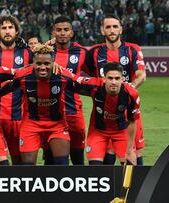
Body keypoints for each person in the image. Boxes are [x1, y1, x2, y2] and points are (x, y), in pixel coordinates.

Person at [0, 44, 71, 165]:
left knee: (62, 164)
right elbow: (7, 88)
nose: (42, 67)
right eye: (38, 63)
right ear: (33, 63)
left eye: (47, 64)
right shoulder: (23, 76)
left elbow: (83, 88)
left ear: (53, 63)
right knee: (27, 168)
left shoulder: (63, 75)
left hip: (56, 124)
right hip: (31, 124)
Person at [87, 14, 146, 165]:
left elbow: (141, 75)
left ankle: (136, 188)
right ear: (102, 30)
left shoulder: (132, 49)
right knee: (107, 158)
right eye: (108, 27)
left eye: (115, 27)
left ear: (120, 29)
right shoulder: (94, 52)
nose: (112, 30)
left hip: (128, 113)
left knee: (134, 157)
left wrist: (128, 88)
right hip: (104, 114)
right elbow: (83, 75)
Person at [57, 62, 139, 165]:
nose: (113, 82)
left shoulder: (131, 94)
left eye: (117, 78)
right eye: (110, 78)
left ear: (122, 79)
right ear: (104, 78)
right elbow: (73, 78)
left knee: (130, 165)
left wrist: (130, 150)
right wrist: (55, 66)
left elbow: (132, 121)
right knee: (95, 168)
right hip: (98, 132)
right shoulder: (94, 85)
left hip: (121, 132)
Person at [43, 16, 89, 165]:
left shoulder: (81, 52)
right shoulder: (45, 52)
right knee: (51, 158)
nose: (62, 33)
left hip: (73, 111)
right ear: (53, 33)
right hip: (51, 114)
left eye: (66, 30)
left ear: (71, 33)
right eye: (59, 30)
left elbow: (95, 77)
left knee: (77, 156)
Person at [0, 15, 33, 165]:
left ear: (16, 31)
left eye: (10, 27)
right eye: (3, 28)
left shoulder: (27, 53)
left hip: (18, 117)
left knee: (18, 161)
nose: (7, 31)